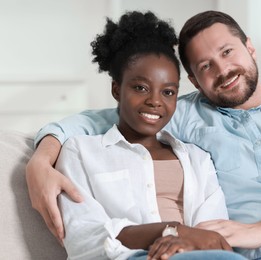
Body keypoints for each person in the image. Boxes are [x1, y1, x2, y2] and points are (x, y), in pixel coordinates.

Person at [26, 10, 261, 260]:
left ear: (249, 47)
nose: (223, 71)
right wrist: (41, 160)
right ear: (196, 81)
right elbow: (105, 119)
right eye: (205, 67)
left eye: (228, 52)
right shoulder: (186, 115)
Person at [50, 10, 246, 260]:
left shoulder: (197, 158)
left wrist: (185, 242)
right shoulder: (82, 151)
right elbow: (83, 236)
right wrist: (170, 231)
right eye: (141, 88)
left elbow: (214, 237)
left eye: (168, 92)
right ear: (116, 89)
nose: (155, 101)